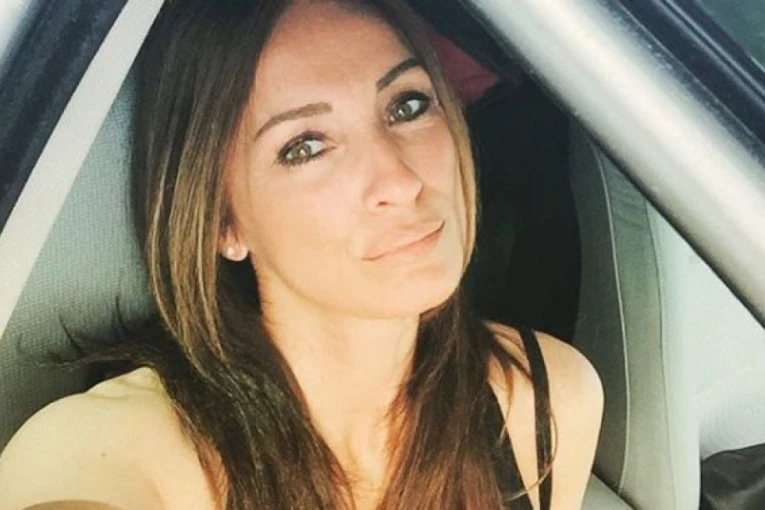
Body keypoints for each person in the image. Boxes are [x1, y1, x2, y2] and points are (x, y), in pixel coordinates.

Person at [0, 0, 603, 508]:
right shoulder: (124, 449)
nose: (398, 181)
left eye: (408, 105)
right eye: (305, 147)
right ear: (223, 222)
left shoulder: (546, 397)